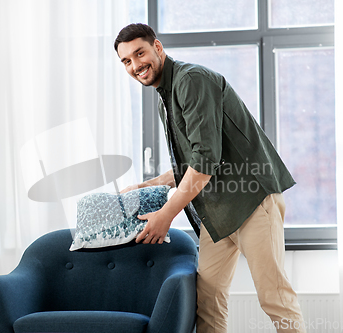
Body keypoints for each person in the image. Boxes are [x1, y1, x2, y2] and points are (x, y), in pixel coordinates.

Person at [114, 23, 306, 333]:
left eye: (140, 53)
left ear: (158, 48)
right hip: (216, 215)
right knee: (208, 301)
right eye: (126, 61)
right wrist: (143, 186)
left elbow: (204, 163)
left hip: (252, 202)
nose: (136, 65)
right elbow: (190, 164)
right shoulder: (166, 95)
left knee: (274, 298)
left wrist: (166, 215)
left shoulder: (191, 80)